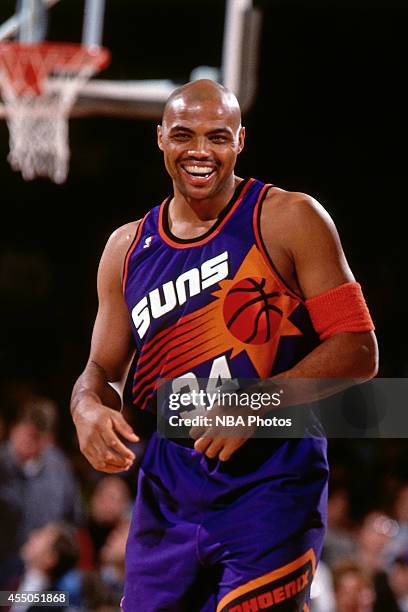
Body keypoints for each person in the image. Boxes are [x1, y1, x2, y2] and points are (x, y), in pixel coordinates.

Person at [71, 79, 378, 611]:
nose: (199, 151)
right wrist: (86, 407)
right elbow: (103, 367)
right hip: (168, 492)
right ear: (161, 138)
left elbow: (358, 349)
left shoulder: (290, 218)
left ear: (240, 141)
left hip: (271, 485)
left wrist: (254, 402)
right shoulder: (125, 248)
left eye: (217, 136)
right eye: (184, 135)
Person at [0, 398, 82, 590]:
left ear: (49, 439)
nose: (31, 442)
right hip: (4, 566)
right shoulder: (2, 465)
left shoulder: (59, 466)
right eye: (28, 434)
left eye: (39, 437)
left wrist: (55, 553)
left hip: (46, 570)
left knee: (58, 599)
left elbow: (74, 517)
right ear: (15, 428)